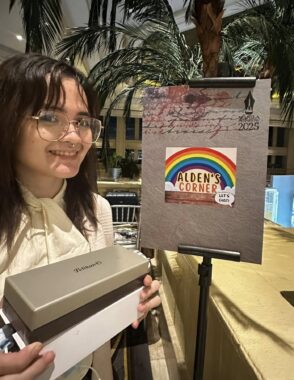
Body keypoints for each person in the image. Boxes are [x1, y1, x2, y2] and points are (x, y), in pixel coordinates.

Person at [0, 53, 160, 379]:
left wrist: (129, 303)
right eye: (50, 117)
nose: (74, 137)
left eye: (83, 122)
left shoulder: (98, 211)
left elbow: (96, 326)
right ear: (8, 120)